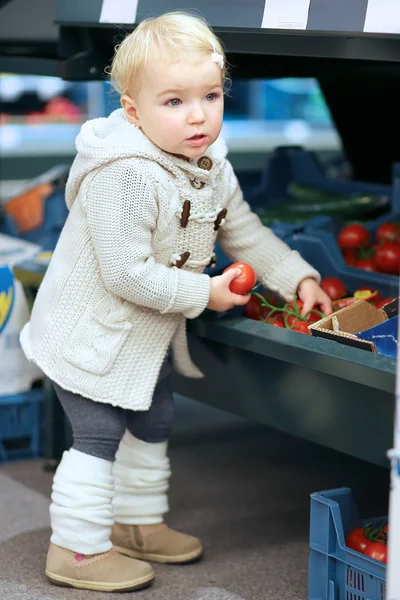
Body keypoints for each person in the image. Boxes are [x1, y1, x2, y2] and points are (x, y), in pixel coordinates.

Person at [20, 11, 332, 593]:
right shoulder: (125, 176)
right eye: (174, 101)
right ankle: (76, 550)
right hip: (91, 332)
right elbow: (125, 274)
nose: (197, 115)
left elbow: (243, 230)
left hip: (147, 334)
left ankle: (137, 524)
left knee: (156, 417)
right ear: (134, 112)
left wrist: (297, 279)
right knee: (97, 434)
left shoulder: (211, 166)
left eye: (210, 95)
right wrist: (204, 293)